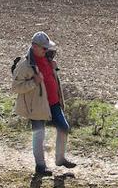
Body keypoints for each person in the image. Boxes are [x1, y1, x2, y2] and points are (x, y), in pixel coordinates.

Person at [11, 31, 75, 176]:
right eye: (44, 48)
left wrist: (54, 68)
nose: (47, 50)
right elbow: (16, 88)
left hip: (54, 103)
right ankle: (40, 167)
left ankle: (60, 159)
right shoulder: (25, 65)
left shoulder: (48, 58)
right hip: (37, 106)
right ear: (35, 47)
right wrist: (34, 82)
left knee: (64, 128)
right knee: (39, 136)